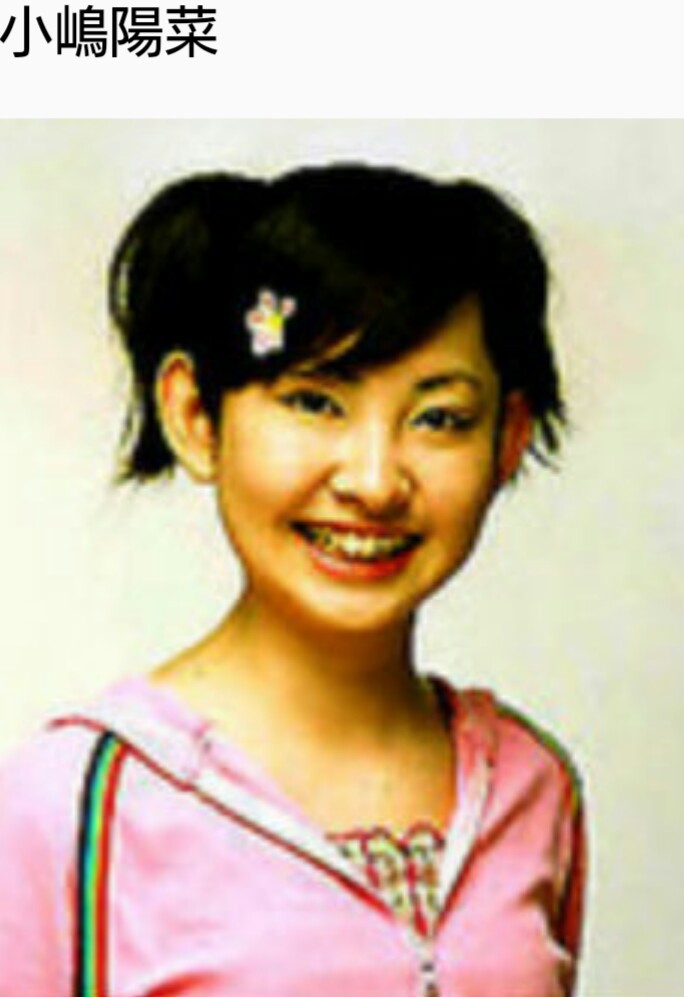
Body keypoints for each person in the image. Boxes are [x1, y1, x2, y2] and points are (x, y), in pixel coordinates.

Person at [0, 164, 586, 996]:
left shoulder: (535, 786)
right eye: (314, 401)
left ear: (508, 439)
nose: (375, 481)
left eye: (440, 418)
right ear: (195, 416)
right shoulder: (73, 800)